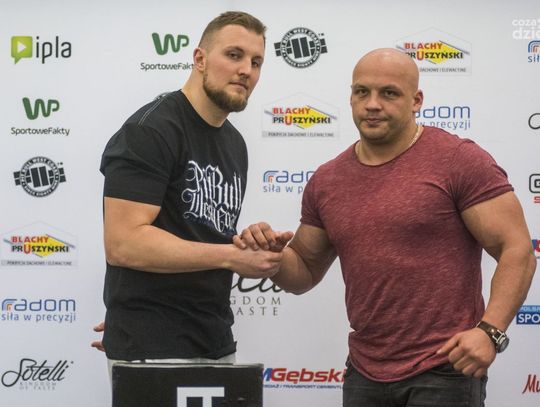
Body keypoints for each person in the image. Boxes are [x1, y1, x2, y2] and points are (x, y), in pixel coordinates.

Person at [235, 48, 536, 406]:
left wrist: (490, 331)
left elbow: (517, 249)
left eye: (389, 93)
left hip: (444, 368)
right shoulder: (328, 180)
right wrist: (271, 257)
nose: (372, 104)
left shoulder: (458, 160)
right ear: (351, 97)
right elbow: (303, 269)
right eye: (362, 92)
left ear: (416, 100)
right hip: (364, 372)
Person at [94, 11, 285, 374]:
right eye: (234, 55)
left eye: (256, 62)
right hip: (152, 345)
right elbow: (123, 243)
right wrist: (231, 256)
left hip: (215, 340)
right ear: (199, 59)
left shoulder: (234, 143)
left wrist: (249, 244)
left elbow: (200, 231)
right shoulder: (150, 130)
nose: (246, 70)